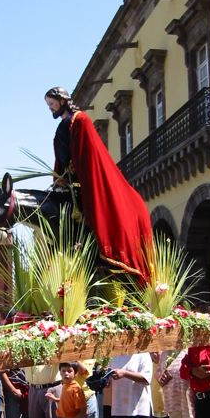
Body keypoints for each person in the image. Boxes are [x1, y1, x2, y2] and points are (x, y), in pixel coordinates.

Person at [45, 86, 153, 282]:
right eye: (48, 105)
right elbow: (60, 156)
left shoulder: (80, 119)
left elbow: (86, 154)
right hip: (68, 181)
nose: (50, 108)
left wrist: (73, 175)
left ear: (62, 101)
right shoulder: (61, 126)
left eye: (52, 104)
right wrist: (58, 177)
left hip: (81, 179)